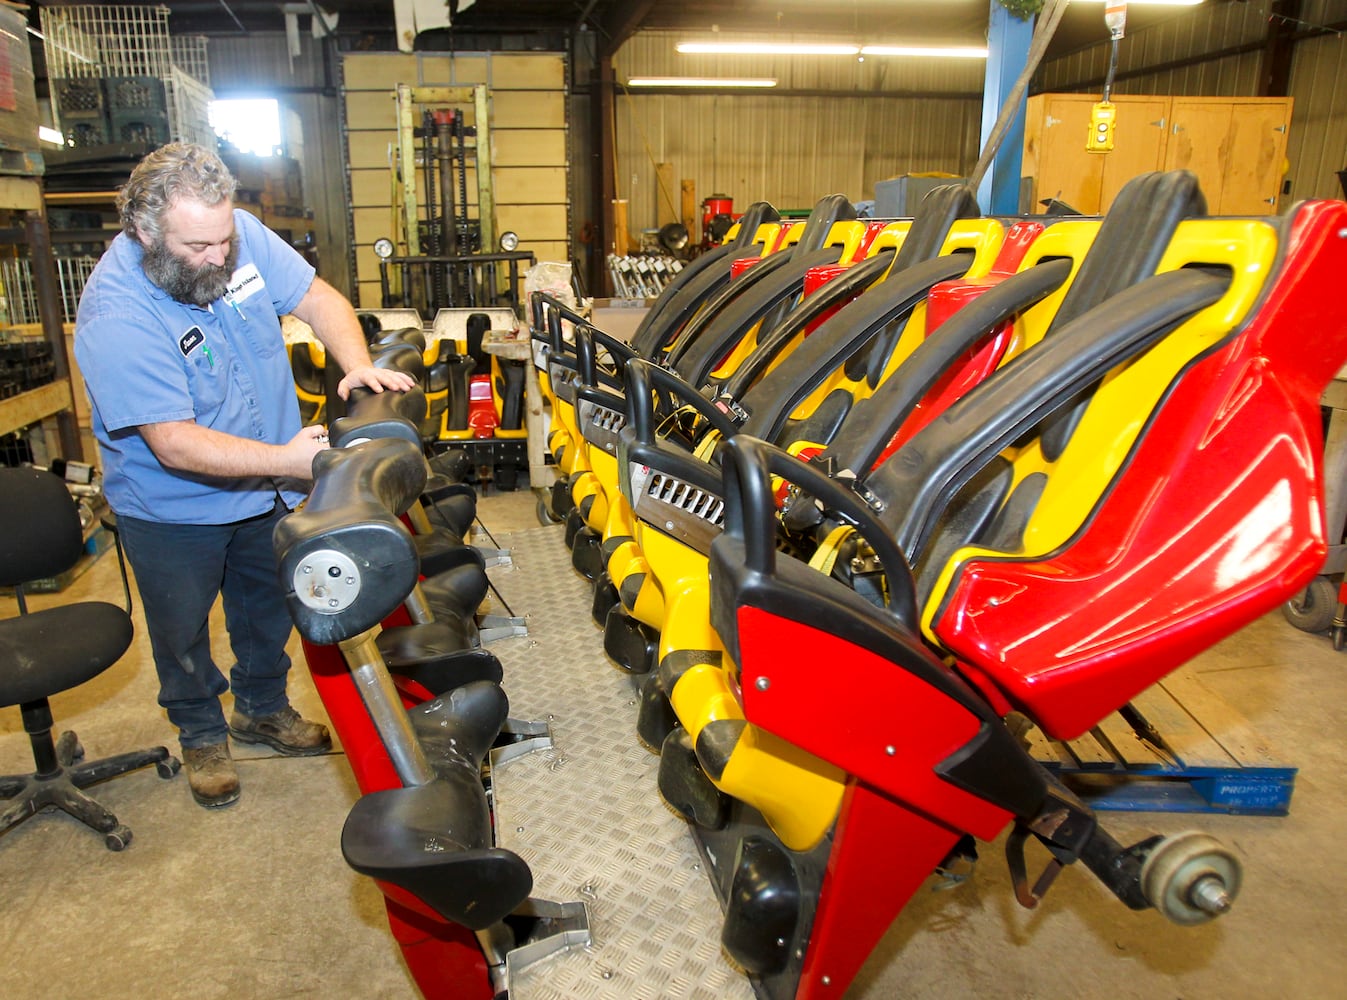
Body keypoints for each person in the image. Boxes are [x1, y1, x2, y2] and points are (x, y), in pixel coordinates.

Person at [74, 143, 415, 808]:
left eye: (225, 239)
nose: (219, 257)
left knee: (266, 608)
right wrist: (291, 461)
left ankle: (260, 707)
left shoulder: (235, 235)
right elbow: (173, 444)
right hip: (173, 508)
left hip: (266, 488)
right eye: (200, 246)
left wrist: (354, 364)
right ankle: (201, 732)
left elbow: (316, 297)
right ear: (146, 234)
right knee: (182, 630)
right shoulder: (117, 312)